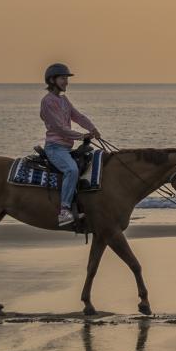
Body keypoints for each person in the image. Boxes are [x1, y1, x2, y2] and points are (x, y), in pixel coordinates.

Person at [41, 62, 102, 228]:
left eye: (66, 78)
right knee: (71, 170)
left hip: (66, 147)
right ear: (52, 80)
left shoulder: (63, 100)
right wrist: (82, 136)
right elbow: (59, 128)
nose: (66, 82)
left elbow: (78, 116)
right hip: (55, 148)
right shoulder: (48, 101)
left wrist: (93, 128)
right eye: (63, 78)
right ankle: (64, 211)